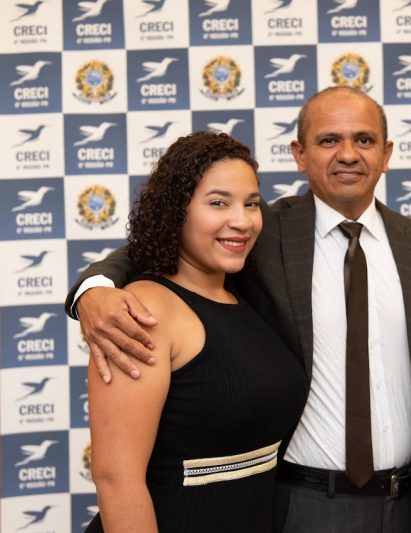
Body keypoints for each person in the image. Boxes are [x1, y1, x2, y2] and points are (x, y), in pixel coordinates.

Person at [69, 87, 411, 533]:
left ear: (386, 153)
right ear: (299, 155)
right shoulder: (260, 232)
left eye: (364, 139)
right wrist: (94, 290)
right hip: (295, 504)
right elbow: (158, 242)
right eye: (329, 140)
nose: (348, 154)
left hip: (406, 504)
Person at [84, 131, 309, 532]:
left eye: (251, 204)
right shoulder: (144, 311)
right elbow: (117, 480)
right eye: (218, 202)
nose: (241, 221)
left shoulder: (245, 298)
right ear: (176, 212)